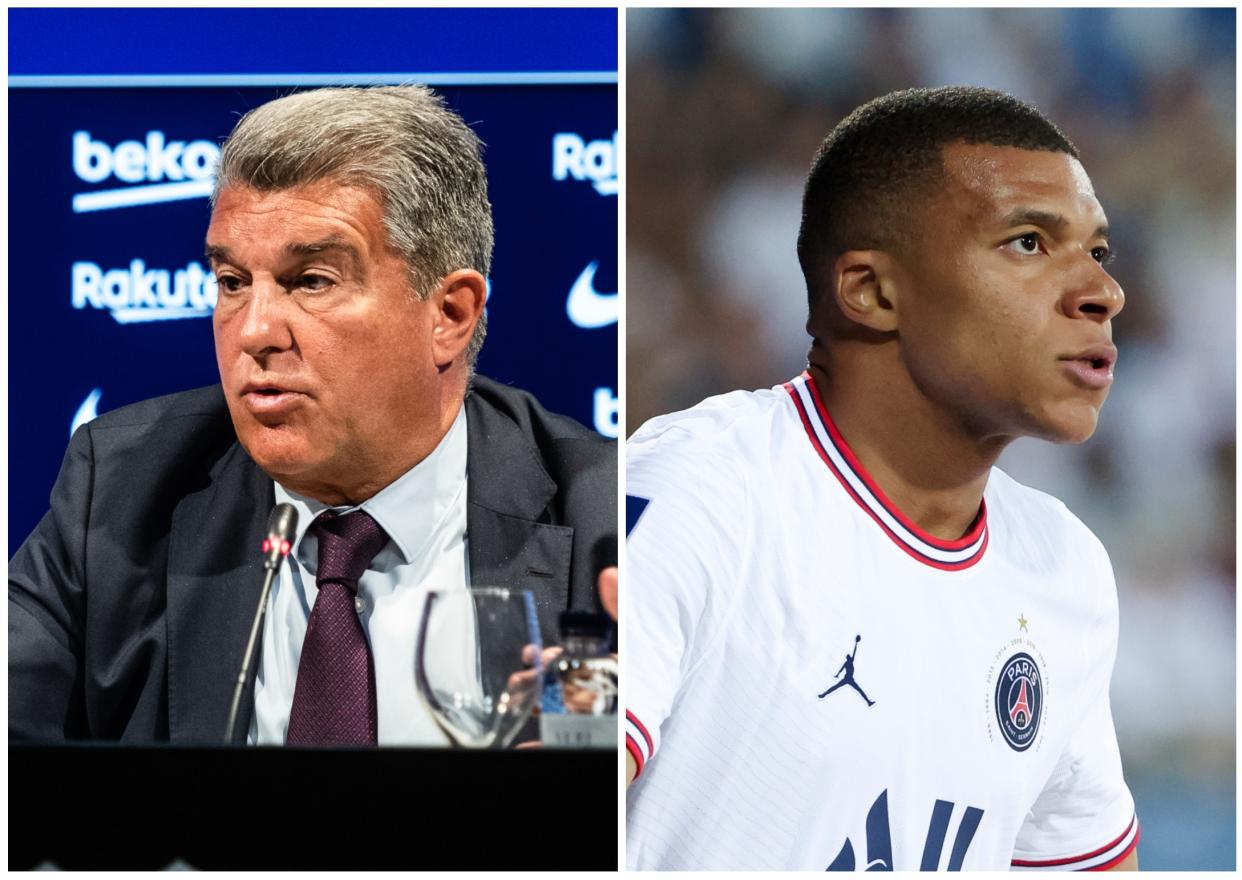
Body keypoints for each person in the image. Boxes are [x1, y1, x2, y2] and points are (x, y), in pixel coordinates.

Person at [625, 87, 1139, 871]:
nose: (1102, 292)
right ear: (871, 291)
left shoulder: (1064, 565)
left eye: (1097, 251)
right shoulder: (701, 493)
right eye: (1029, 242)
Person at [9, 85, 616, 746]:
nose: (255, 330)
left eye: (311, 281)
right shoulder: (123, 492)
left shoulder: (600, 525)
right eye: (232, 282)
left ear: (450, 315)